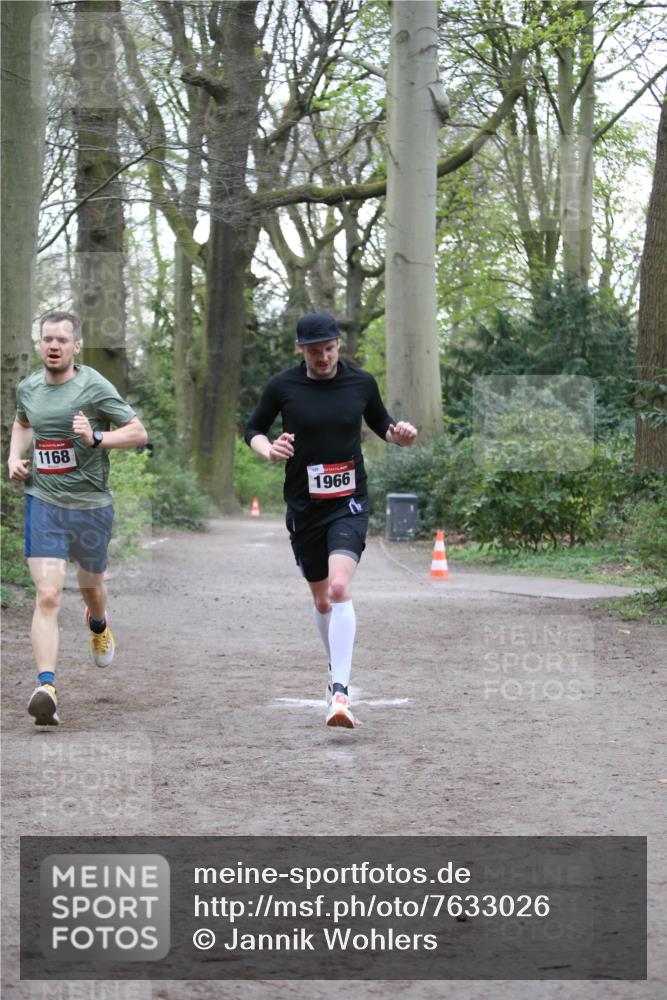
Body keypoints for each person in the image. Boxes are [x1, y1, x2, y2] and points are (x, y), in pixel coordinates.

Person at [245, 311, 417, 728]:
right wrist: (268, 449)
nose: (324, 357)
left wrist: (400, 434)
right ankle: (332, 673)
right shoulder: (282, 386)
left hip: (348, 501)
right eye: (315, 351)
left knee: (340, 587)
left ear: (338, 345)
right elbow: (253, 428)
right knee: (322, 599)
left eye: (330, 348)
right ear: (301, 349)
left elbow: (383, 425)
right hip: (304, 506)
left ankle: (340, 691)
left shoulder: (360, 383)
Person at [7, 310, 148, 726]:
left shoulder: (93, 386)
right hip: (44, 503)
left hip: (89, 507)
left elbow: (138, 432)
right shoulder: (28, 387)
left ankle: (99, 624)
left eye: (62, 340)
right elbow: (22, 423)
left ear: (76, 347)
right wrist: (14, 457)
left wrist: (96, 437)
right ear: (40, 344)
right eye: (47, 339)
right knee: (48, 595)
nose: (53, 346)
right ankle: (46, 686)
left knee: (92, 589)